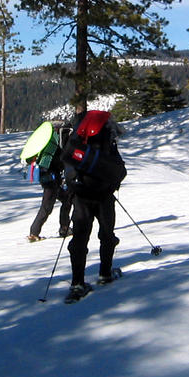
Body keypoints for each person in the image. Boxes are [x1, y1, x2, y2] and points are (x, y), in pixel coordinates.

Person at [60, 110, 126, 304]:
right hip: (104, 196)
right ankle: (105, 274)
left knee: (79, 239)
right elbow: (119, 170)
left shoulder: (77, 140)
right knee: (107, 235)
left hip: (81, 197)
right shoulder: (107, 139)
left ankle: (77, 283)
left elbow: (66, 163)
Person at [27, 122, 72, 242]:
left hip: (46, 175)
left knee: (66, 199)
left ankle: (64, 227)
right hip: (51, 177)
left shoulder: (49, 140)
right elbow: (62, 159)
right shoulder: (59, 141)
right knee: (47, 205)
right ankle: (34, 232)